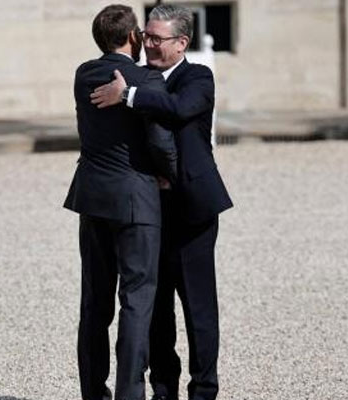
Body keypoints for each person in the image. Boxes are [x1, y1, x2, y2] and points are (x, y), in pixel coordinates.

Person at [89, 4, 233, 400]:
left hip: (192, 209)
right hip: (149, 210)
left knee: (198, 308)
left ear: (181, 42)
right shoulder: (138, 76)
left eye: (156, 38)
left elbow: (181, 108)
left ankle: (203, 390)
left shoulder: (197, 76)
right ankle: (163, 389)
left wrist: (129, 95)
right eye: (145, 36)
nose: (147, 43)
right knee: (156, 311)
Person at [63, 4, 178, 400]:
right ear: (132, 37)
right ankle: (131, 393)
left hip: (92, 197)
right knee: (137, 300)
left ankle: (94, 392)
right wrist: (169, 174)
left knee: (94, 302)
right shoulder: (147, 78)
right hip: (137, 199)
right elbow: (162, 140)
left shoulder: (84, 74)